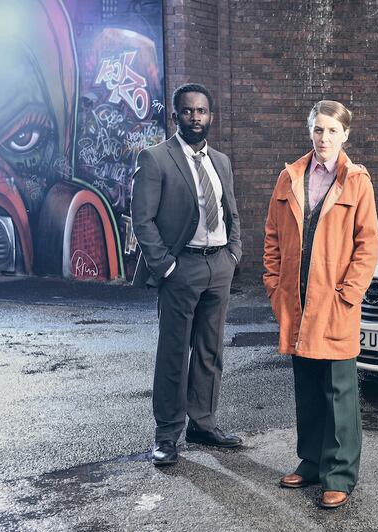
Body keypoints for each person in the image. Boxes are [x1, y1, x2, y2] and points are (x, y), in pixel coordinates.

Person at [263, 100, 378, 509]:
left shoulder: (356, 181)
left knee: (339, 392)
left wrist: (349, 293)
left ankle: (340, 473)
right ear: (310, 131)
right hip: (295, 303)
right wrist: (274, 286)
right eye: (318, 130)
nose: (324, 138)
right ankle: (311, 462)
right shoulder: (289, 177)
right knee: (308, 389)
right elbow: (273, 238)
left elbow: (367, 246)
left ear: (345, 134)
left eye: (332, 130)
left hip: (334, 303)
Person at [131, 83, 242, 466]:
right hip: (182, 267)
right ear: (175, 115)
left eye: (202, 111)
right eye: (188, 111)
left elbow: (231, 211)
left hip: (219, 266)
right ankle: (166, 435)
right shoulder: (156, 158)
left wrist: (233, 253)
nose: (196, 117)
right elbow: (143, 221)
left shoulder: (221, 161)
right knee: (175, 353)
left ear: (211, 116)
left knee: (211, 351)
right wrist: (167, 266)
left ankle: (203, 423)